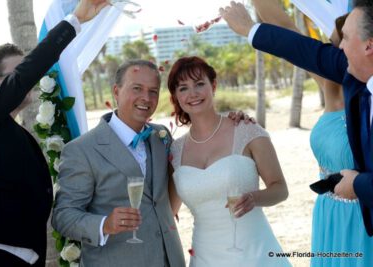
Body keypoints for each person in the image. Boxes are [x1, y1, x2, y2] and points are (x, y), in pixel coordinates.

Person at [220, 0, 373, 240]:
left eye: (344, 37)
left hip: (362, 220)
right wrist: (249, 27)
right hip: (331, 217)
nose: (338, 46)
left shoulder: (348, 80)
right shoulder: (347, 78)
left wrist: (357, 185)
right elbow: (297, 45)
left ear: (368, 45)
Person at [0, 1, 110, 266]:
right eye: (19, 73)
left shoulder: (11, 131)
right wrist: (75, 20)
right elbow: (29, 71)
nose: (31, 79)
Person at [52, 59, 186, 266]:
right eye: (137, 88)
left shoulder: (162, 136)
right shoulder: (82, 150)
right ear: (116, 91)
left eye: (153, 91)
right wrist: (105, 224)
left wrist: (235, 121)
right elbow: (64, 217)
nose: (146, 98)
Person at [167, 56, 290, 267]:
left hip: (254, 254)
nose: (193, 94)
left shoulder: (247, 130)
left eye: (199, 84)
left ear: (213, 86)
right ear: (176, 96)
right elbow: (168, 211)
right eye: (183, 88)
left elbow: (280, 189)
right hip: (204, 257)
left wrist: (254, 197)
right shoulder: (174, 150)